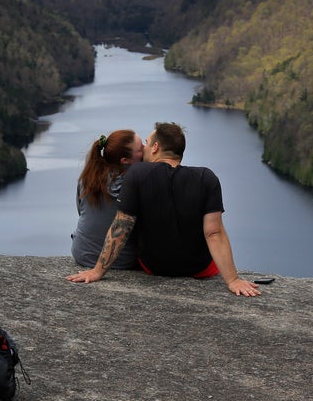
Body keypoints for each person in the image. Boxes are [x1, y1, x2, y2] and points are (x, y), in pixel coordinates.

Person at [67, 122, 261, 297]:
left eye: (147, 143)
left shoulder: (136, 174)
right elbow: (214, 233)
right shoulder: (207, 178)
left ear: (156, 147)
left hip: (153, 266)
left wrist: (98, 271)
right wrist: (233, 280)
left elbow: (122, 225)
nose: (144, 148)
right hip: (199, 269)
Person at [70, 129, 144, 269]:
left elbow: (81, 211)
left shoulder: (88, 177)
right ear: (125, 160)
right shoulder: (134, 184)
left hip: (81, 253)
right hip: (121, 260)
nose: (146, 149)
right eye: (141, 148)